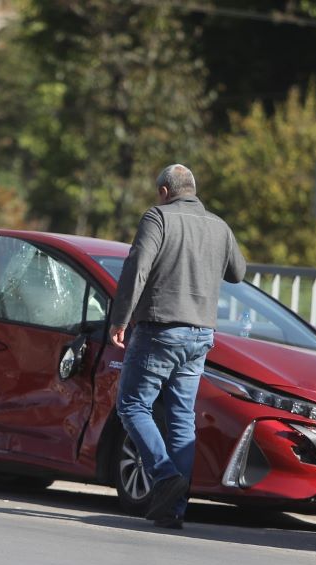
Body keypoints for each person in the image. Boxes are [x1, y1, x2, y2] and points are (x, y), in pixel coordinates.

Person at [109, 164, 246, 530]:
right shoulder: (219, 226)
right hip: (201, 334)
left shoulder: (158, 218)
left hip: (161, 329)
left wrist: (120, 318)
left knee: (133, 405)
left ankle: (164, 474)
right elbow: (238, 272)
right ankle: (173, 510)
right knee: (181, 419)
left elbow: (138, 266)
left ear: (165, 192)